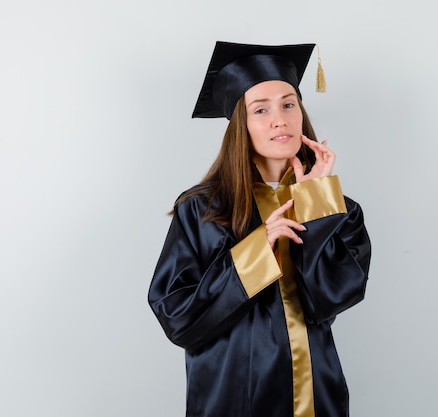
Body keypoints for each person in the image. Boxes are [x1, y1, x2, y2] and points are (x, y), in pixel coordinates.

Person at [147, 41, 371, 417]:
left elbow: (331, 300)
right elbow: (177, 318)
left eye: (288, 104)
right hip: (232, 396)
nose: (279, 119)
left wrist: (316, 203)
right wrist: (256, 250)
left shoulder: (338, 208)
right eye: (261, 110)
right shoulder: (204, 209)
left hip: (317, 395)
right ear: (241, 125)